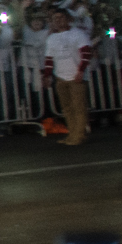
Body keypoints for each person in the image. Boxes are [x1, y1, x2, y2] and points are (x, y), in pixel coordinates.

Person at [42, 10, 92, 147]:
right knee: (67, 108)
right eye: (55, 18)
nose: (58, 20)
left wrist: (81, 70)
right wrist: (47, 75)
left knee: (79, 107)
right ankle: (73, 133)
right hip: (61, 76)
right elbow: (49, 59)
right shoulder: (51, 38)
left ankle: (78, 135)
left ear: (67, 19)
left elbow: (86, 53)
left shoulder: (77, 33)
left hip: (75, 76)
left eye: (61, 17)